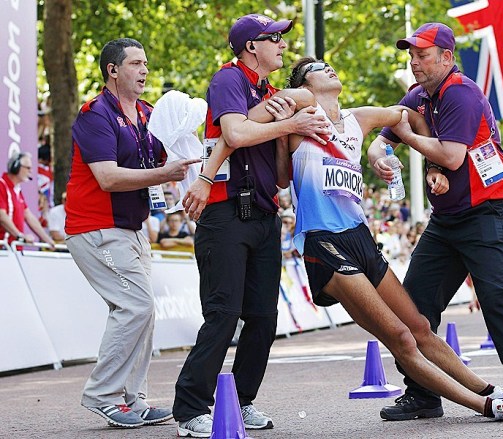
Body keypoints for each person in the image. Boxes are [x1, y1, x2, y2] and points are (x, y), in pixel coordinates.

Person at [280, 56, 503, 422]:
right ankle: (487, 407)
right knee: (400, 337)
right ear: (304, 85)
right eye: (317, 68)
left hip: (359, 238)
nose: (328, 67)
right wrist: (292, 110)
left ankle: (488, 390)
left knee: (420, 328)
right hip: (323, 242)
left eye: (328, 64)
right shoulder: (301, 115)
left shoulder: (357, 119)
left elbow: (407, 117)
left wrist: (422, 162)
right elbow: (264, 113)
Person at [367, 22, 503, 422]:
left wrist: (408, 138)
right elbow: (381, 138)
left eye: (423, 55)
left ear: (446, 57)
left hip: (488, 212)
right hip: (447, 218)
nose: (414, 61)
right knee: (413, 306)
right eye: (412, 54)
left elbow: (452, 156)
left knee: (497, 298)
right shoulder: (419, 96)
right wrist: (381, 156)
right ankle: (422, 392)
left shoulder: (461, 93)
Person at [173, 14, 331, 438]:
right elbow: (235, 133)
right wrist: (291, 123)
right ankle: (190, 408)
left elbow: (280, 177)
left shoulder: (272, 92)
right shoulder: (229, 80)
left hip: (264, 215)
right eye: (274, 38)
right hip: (224, 215)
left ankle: (241, 403)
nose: (282, 44)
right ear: (250, 47)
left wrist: (287, 134)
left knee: (264, 316)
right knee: (223, 315)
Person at [64, 38, 198, 429]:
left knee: (143, 311)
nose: (145, 71)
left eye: (146, 65)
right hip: (95, 228)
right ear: (112, 70)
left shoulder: (147, 113)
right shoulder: (94, 114)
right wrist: (164, 174)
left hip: (130, 229)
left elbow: (170, 151)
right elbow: (107, 177)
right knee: (136, 307)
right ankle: (102, 395)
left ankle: (134, 401)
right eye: (137, 64)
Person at [0, 152, 55, 247]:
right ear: (16, 167)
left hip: (12, 250)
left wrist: (48, 240)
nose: (31, 171)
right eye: (28, 168)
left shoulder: (16, 190)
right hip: (4, 249)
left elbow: (28, 216)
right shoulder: (2, 185)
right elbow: (2, 216)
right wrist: (20, 236)